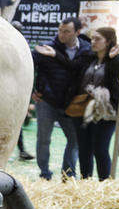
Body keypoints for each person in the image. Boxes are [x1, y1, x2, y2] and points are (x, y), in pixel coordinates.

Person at [35, 27, 119, 180]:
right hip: (82, 109)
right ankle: (86, 181)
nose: (93, 42)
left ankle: (106, 183)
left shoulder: (117, 60)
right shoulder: (87, 57)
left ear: (108, 42)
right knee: (84, 148)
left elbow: (115, 72)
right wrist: (54, 54)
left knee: (100, 149)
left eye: (98, 39)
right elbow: (71, 66)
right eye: (92, 38)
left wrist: (111, 58)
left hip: (105, 111)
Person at [31, 17, 91, 180]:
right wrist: (32, 91)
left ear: (77, 32)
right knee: (43, 139)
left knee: (74, 140)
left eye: (67, 32)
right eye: (60, 30)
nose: (62, 34)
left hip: (71, 105)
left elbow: (77, 68)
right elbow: (29, 64)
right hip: (47, 102)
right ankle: (45, 173)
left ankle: (68, 174)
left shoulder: (86, 50)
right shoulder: (46, 48)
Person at [11, 20, 34, 160]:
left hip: (14, 92)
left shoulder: (21, 50)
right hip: (7, 92)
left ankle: (21, 150)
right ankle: (21, 150)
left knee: (15, 125)